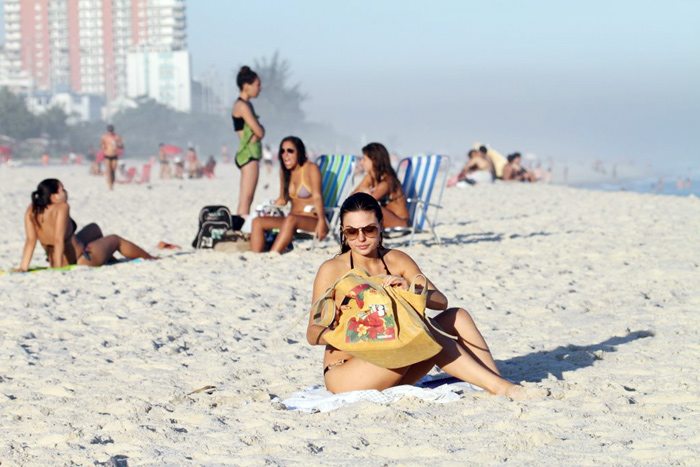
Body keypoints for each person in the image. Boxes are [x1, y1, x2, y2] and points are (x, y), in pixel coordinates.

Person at [307, 193, 548, 400]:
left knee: (457, 317)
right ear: (343, 232)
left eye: (368, 229)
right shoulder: (332, 269)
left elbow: (441, 302)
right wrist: (362, 336)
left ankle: (494, 381)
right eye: (352, 231)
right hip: (348, 371)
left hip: (398, 357)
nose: (360, 238)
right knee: (424, 332)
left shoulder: (396, 260)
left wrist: (411, 289)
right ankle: (504, 388)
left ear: (381, 226)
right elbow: (312, 333)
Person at [17, 179, 155, 271]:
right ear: (53, 197)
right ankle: (150, 257)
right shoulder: (62, 207)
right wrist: (58, 270)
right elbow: (58, 240)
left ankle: (108, 258)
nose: (66, 193)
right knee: (115, 239)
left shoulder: (32, 209)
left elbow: (30, 241)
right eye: (62, 190)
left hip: (57, 259)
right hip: (79, 260)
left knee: (93, 228)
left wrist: (23, 267)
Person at [250, 136, 328, 253]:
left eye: (290, 151)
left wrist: (322, 221)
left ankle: (272, 254)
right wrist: (268, 209)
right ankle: (257, 257)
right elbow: (283, 199)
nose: (285, 154)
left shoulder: (311, 168)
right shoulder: (285, 172)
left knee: (291, 219)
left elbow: (317, 196)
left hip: (311, 220)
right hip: (290, 220)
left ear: (299, 152)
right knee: (257, 221)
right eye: (282, 151)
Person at [351, 142, 410, 228]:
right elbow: (351, 198)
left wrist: (363, 194)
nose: (361, 163)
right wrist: (362, 191)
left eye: (364, 159)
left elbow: (368, 201)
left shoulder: (388, 181)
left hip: (401, 223)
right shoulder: (370, 177)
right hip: (384, 222)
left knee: (370, 207)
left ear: (374, 160)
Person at [232, 65, 264, 216]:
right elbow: (258, 131)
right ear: (246, 86)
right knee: (246, 200)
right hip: (248, 155)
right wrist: (260, 130)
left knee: (247, 199)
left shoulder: (246, 105)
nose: (260, 88)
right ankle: (239, 230)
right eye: (257, 85)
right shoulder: (242, 106)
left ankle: (240, 227)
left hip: (250, 153)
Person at [100, 124, 124, 190]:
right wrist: (103, 147)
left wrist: (118, 145)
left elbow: (122, 146)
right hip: (107, 155)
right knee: (108, 171)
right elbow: (102, 144)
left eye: (111, 131)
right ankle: (110, 185)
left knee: (113, 170)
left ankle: (112, 182)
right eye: (109, 131)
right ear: (107, 131)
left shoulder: (116, 137)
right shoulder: (104, 137)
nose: (110, 132)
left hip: (114, 155)